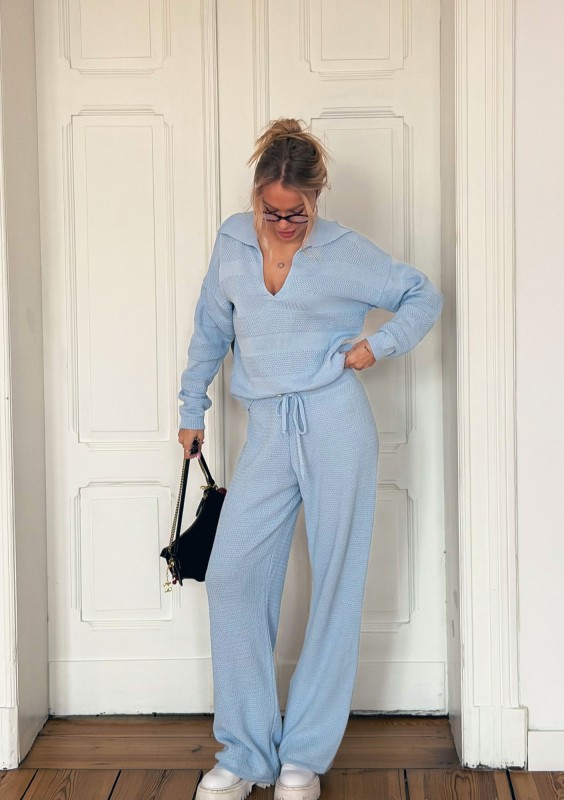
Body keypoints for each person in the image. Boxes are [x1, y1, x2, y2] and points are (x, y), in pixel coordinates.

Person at [177, 118, 444, 800]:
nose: (285, 224)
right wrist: (191, 408)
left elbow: (422, 294)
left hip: (334, 423)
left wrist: (376, 347)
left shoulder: (344, 252)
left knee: (335, 586)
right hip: (267, 428)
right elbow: (210, 327)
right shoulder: (233, 241)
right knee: (233, 577)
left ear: (315, 199)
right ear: (256, 198)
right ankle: (246, 754)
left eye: (297, 213)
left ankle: (303, 756)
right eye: (273, 212)